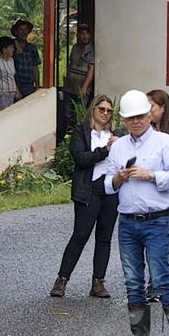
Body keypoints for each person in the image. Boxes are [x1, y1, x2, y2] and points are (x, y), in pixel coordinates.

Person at [104, 87, 169, 336]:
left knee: (161, 277)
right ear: (124, 120)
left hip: (156, 220)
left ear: (149, 116)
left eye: (140, 116)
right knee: (132, 280)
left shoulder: (164, 142)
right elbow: (107, 184)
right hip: (128, 220)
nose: (136, 122)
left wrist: (151, 175)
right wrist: (119, 177)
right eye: (131, 118)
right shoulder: (118, 146)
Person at [50, 93, 118, 299]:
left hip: (111, 189)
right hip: (89, 189)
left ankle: (98, 282)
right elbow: (81, 158)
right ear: (93, 110)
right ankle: (62, 279)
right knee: (80, 235)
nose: (105, 113)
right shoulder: (81, 132)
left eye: (109, 111)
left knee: (104, 237)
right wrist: (105, 150)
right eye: (101, 109)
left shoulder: (117, 135)